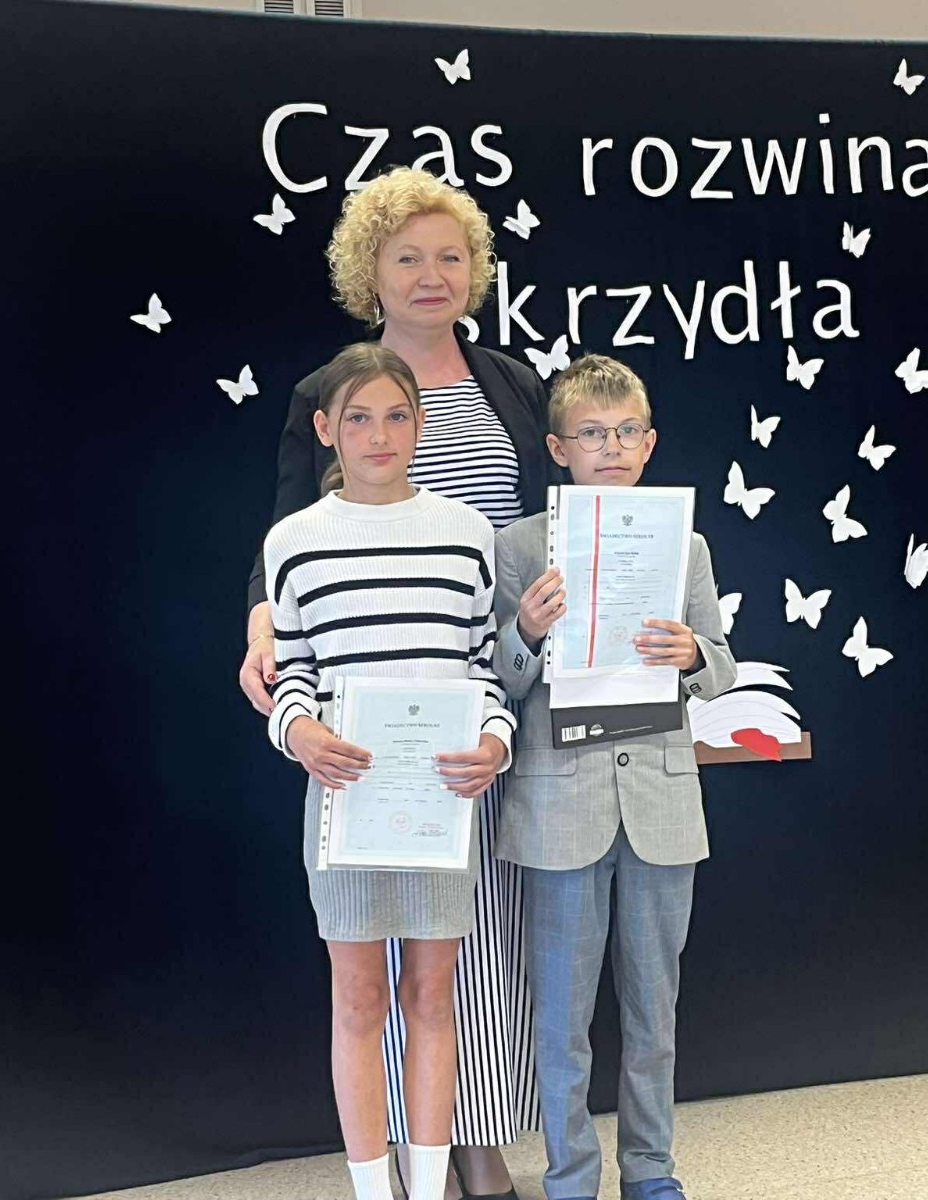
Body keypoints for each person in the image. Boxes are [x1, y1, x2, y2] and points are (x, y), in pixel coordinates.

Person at [242, 166, 548, 1199]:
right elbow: (285, 541)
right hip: (367, 695)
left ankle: (477, 1135)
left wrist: (512, 679)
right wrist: (264, 632)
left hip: (488, 676)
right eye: (406, 256)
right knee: (383, 963)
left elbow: (539, 527)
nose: (430, 275)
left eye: (449, 256)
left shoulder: (511, 383)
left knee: (479, 932)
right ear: (366, 271)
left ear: (476, 270)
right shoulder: (323, 393)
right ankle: (410, 1164)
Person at [262, 342, 514, 1200]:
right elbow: (294, 668)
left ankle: (431, 1180)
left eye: (397, 416)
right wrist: (298, 730)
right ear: (325, 429)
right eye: (359, 418)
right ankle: (375, 1189)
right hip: (345, 801)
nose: (380, 435)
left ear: (420, 423)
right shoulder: (295, 540)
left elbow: (482, 666)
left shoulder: (465, 534)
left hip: (440, 803)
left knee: (433, 994)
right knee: (359, 997)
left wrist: (495, 740)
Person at [493, 355, 737, 1200]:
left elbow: (721, 669)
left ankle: (652, 1172)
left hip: (661, 801)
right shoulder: (519, 546)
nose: (612, 447)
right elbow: (499, 682)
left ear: (650, 443)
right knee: (561, 1017)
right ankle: (570, 1177)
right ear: (559, 448)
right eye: (593, 433)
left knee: (652, 1010)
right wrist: (525, 632)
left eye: (628, 431)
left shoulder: (685, 544)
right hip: (561, 806)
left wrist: (694, 653)